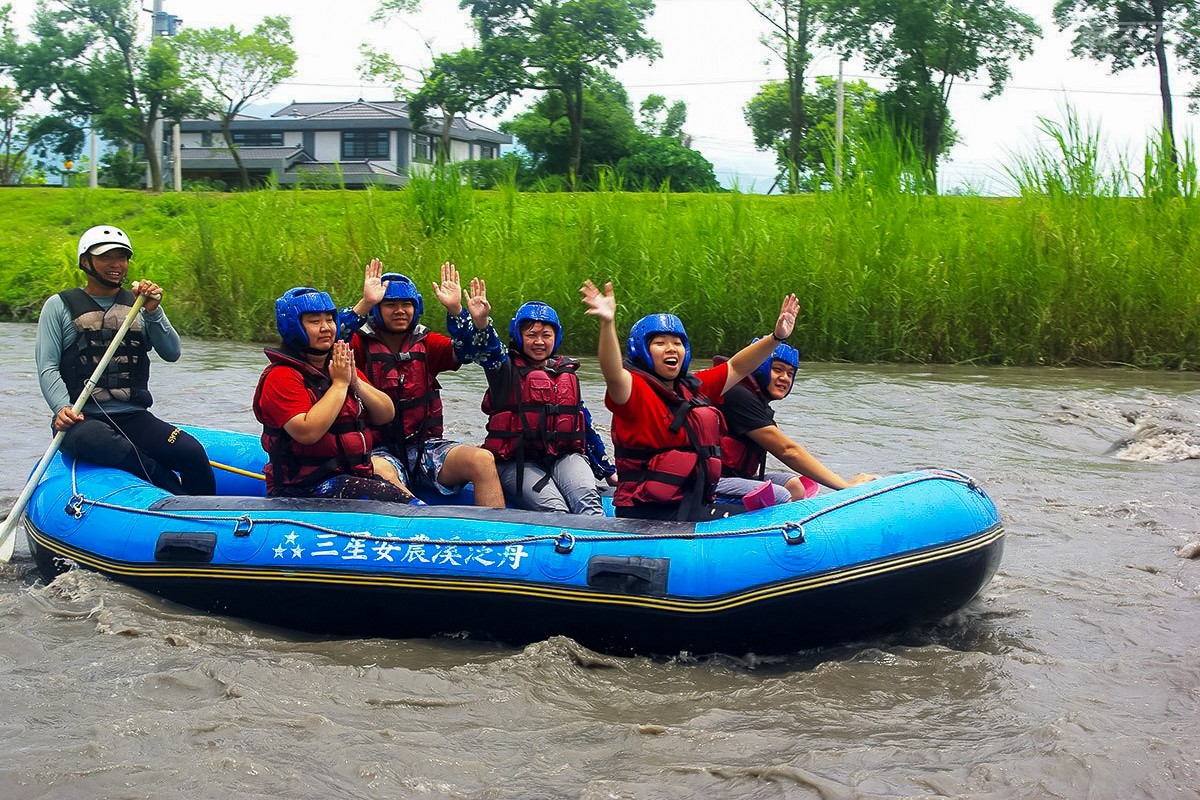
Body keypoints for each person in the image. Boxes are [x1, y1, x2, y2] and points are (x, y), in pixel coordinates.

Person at [579, 279, 800, 522]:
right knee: (776, 502)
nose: (671, 349)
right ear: (643, 350)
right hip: (647, 510)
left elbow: (737, 367)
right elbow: (612, 372)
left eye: (677, 343)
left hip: (689, 502)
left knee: (777, 501)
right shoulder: (633, 390)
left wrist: (776, 337)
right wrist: (607, 323)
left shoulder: (693, 388)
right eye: (660, 343)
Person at [35, 225, 214, 495]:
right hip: (82, 420)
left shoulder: (140, 304)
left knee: (191, 452)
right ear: (86, 262)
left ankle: (209, 519)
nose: (116, 264)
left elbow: (172, 353)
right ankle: (165, 483)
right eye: (106, 257)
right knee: (99, 440)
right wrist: (62, 408)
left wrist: (154, 311)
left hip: (133, 416)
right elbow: (47, 366)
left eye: (122, 257)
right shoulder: (59, 305)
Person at [343, 259, 505, 508]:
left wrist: (456, 312)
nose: (400, 310)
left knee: (482, 459)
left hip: (424, 447)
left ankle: (498, 536)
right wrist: (365, 303)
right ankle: (419, 518)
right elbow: (329, 340)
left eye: (406, 304)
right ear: (378, 309)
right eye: (390, 305)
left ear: (415, 308)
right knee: (381, 471)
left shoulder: (426, 342)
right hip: (378, 449)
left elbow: (469, 352)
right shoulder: (357, 344)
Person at [252, 286, 419, 502]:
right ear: (293, 326)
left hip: (351, 474)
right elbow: (307, 432)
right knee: (389, 497)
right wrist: (340, 385)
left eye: (330, 320)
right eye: (314, 322)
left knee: (395, 488)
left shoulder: (338, 365)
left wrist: (354, 382)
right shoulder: (281, 377)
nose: (326, 328)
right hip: (305, 488)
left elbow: (386, 413)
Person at [477, 301, 613, 515]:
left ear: (556, 338)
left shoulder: (564, 373)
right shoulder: (503, 371)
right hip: (516, 461)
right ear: (519, 336)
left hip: (563, 457)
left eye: (546, 335)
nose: (539, 342)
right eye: (531, 334)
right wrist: (482, 322)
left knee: (588, 500)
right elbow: (490, 349)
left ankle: (603, 548)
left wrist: (608, 470)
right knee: (555, 509)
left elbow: (584, 425)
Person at [715, 339, 878, 505]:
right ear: (758, 366)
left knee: (794, 486)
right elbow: (788, 451)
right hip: (705, 485)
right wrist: (846, 487)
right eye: (777, 370)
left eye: (790, 373)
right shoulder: (736, 395)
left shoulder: (756, 402)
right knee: (778, 495)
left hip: (733, 478)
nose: (784, 378)